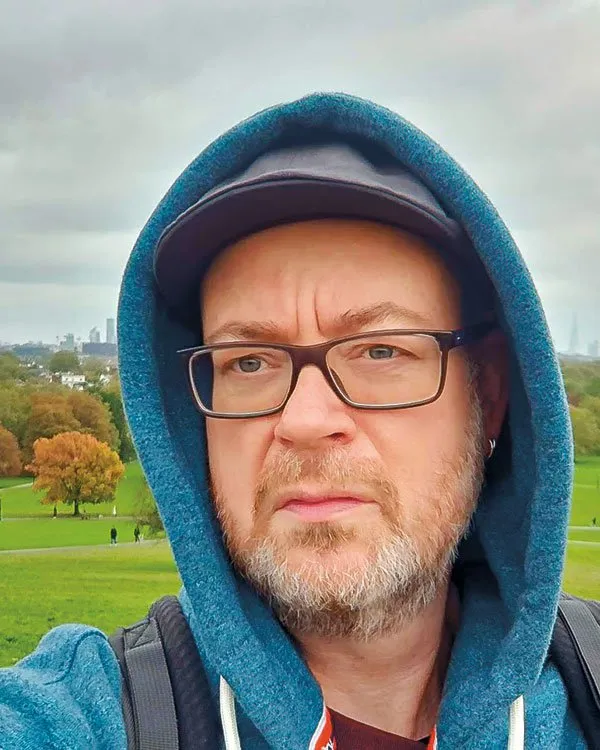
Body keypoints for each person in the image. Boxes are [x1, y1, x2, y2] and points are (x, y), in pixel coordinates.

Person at [0, 93, 587, 748]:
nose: (305, 420)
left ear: (490, 397)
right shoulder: (92, 714)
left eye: (381, 351)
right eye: (249, 361)